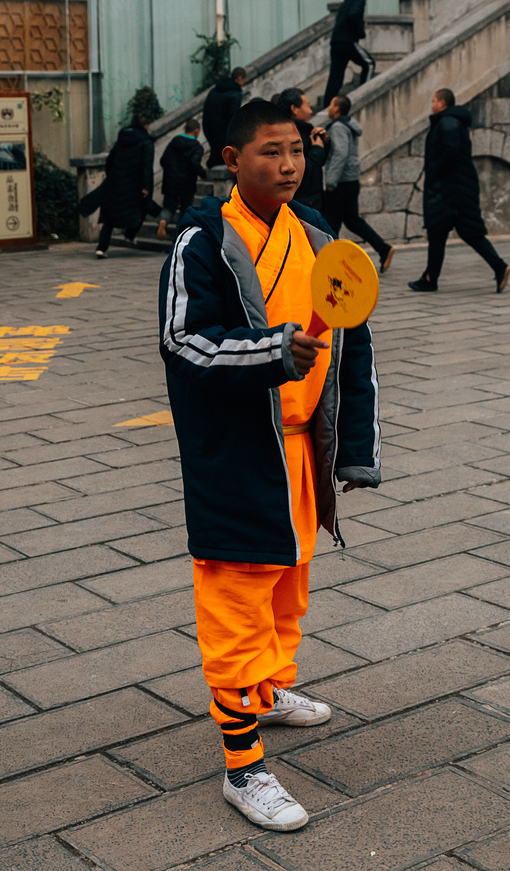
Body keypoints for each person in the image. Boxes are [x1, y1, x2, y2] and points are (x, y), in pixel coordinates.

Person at [159, 99, 381, 832]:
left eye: (296, 151)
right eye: (270, 152)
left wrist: (354, 449)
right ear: (232, 160)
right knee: (237, 600)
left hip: (300, 455)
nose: (288, 165)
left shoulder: (316, 236)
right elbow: (184, 342)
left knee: (288, 589)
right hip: (239, 452)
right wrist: (272, 352)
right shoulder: (204, 239)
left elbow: (353, 348)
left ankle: (269, 689)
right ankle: (243, 764)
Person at [408, 88, 510, 293]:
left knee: (451, 232)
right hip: (453, 189)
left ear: (443, 104)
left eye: (434, 101)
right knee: (448, 233)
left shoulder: (448, 123)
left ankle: (498, 266)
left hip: (450, 191)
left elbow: (450, 153)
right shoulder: (450, 122)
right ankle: (430, 277)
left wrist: (436, 171)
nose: (432, 105)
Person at [324, 94, 395, 274]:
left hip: (340, 183)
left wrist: (331, 180)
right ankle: (383, 248)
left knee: (331, 225)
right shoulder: (348, 125)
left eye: (331, 104)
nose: (329, 108)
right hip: (351, 181)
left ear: (338, 108)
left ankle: (331, 264)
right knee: (352, 221)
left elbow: (340, 154)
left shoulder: (338, 127)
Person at [94, 115, 156, 258]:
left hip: (116, 182)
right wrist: (146, 186)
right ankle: (129, 234)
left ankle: (101, 248)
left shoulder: (122, 138)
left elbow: (110, 159)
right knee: (142, 208)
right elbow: (147, 166)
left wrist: (112, 176)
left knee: (109, 217)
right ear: (146, 126)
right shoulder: (146, 142)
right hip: (135, 184)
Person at [323, 0, 376, 108]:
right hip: (347, 41)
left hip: (336, 42)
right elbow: (353, 15)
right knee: (369, 64)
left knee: (335, 77)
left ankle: (327, 106)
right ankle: (363, 96)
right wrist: (361, 30)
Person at [276, 88, 329, 210]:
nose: (311, 111)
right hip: (303, 204)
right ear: (294, 109)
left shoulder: (304, 132)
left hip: (309, 201)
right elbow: (301, 173)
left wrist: (324, 143)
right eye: (308, 106)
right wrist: (317, 149)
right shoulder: (290, 136)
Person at [157, 118, 206, 240]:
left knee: (169, 207)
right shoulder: (197, 147)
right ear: (196, 131)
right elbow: (194, 163)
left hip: (170, 182)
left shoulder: (174, 142)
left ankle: (163, 221)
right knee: (185, 210)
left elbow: (163, 160)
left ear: (184, 129)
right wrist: (203, 174)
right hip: (186, 184)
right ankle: (178, 237)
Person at [203, 67, 247, 168]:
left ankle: (211, 169)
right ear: (240, 78)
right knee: (223, 154)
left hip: (208, 127)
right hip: (222, 129)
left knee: (217, 152)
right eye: (244, 79)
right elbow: (233, 115)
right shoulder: (235, 94)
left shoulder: (214, 90)